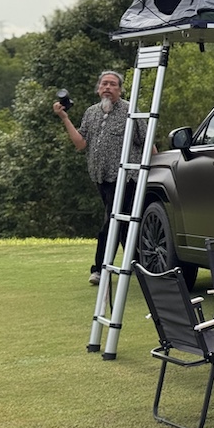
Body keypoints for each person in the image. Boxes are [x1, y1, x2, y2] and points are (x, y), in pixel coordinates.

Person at [53, 70, 147, 286]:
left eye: (113, 84)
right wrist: (64, 118)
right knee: (122, 223)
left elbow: (146, 140)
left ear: (120, 90)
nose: (108, 88)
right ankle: (140, 263)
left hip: (126, 177)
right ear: (98, 89)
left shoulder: (130, 110)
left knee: (112, 220)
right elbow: (80, 143)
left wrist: (156, 169)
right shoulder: (91, 112)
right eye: (104, 84)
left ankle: (99, 269)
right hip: (100, 177)